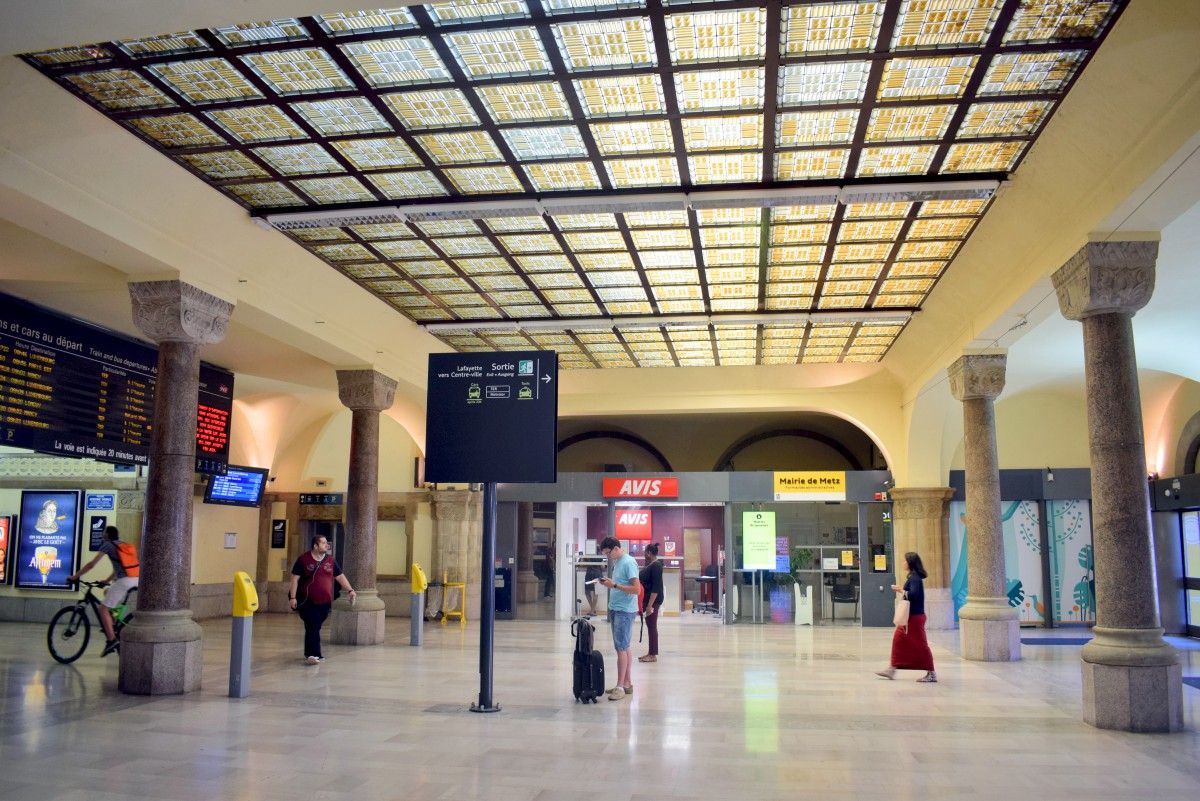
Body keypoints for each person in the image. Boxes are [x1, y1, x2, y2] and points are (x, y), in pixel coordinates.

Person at [67, 525, 138, 656]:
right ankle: (114, 622)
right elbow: (120, 568)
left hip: (125, 581)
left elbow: (91, 565)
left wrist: (75, 576)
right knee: (107, 592)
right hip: (135, 579)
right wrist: (106, 581)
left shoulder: (107, 545)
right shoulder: (122, 544)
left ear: (107, 535)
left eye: (104, 533)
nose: (102, 536)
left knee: (102, 609)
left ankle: (111, 640)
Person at [290, 534, 356, 665]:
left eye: (327, 543)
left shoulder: (330, 561)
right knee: (313, 625)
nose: (327, 545)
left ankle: (309, 653)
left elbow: (340, 576)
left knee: (314, 627)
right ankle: (314, 655)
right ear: (315, 545)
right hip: (308, 600)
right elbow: (294, 579)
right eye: (324, 543)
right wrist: (292, 597)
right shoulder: (303, 559)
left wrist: (350, 590)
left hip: (325, 602)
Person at [876, 551, 937, 683]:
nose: (903, 563)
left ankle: (931, 673)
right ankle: (892, 668)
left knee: (921, 644)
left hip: (914, 618)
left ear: (910, 562)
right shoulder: (913, 577)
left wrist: (900, 590)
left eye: (904, 561)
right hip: (911, 617)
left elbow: (914, 595)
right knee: (898, 640)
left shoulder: (914, 577)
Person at [598, 536, 640, 701]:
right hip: (617, 608)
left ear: (616, 548)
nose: (608, 556)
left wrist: (614, 585)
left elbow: (636, 589)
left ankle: (620, 686)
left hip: (624, 610)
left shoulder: (628, 562)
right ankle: (627, 683)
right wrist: (610, 583)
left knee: (621, 649)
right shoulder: (618, 562)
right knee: (624, 647)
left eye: (609, 553)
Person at [639, 543, 664, 662]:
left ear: (649, 553)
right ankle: (651, 652)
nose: (644, 554)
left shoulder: (656, 566)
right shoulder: (651, 565)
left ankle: (653, 654)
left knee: (652, 626)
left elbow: (656, 587)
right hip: (649, 600)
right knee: (650, 625)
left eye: (645, 552)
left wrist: (649, 605)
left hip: (653, 601)